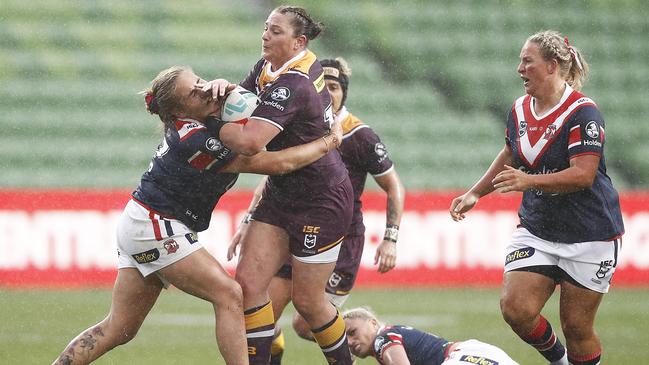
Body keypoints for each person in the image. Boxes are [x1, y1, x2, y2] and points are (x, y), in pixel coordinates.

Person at [52, 65, 343, 365]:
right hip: (156, 226)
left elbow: (248, 106)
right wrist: (329, 142)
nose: (204, 90)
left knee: (119, 329)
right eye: (194, 92)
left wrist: (225, 86)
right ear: (180, 111)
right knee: (229, 294)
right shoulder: (196, 141)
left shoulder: (204, 121)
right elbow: (276, 164)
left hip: (141, 223)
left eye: (201, 81)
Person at [450, 30, 624, 365]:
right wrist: (476, 192)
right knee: (516, 309)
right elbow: (510, 154)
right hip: (538, 228)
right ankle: (558, 361)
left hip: (590, 235)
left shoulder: (583, 113)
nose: (519, 68)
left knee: (576, 329)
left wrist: (528, 181)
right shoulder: (518, 110)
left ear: (551, 66)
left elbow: (583, 174)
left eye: (527, 61)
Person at [202, 6, 355, 365]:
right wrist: (224, 92)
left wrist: (204, 120)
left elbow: (251, 140)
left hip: (322, 198)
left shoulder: (295, 84)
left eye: (275, 32)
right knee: (249, 285)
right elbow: (242, 102)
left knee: (308, 302)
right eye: (265, 28)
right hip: (283, 190)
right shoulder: (270, 65)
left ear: (298, 41)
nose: (265, 36)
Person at [232, 57, 405, 365]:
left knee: (305, 318)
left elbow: (394, 186)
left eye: (336, 87)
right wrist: (248, 218)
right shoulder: (301, 125)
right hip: (292, 222)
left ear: (344, 93)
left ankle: (377, 332)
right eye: (326, 86)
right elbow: (276, 171)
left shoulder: (359, 135)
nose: (331, 93)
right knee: (261, 312)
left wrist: (391, 237)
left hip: (341, 235)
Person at [342, 307, 519, 365]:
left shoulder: (382, 339)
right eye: (345, 339)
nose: (349, 342)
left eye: (352, 332)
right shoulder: (391, 333)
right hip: (473, 353)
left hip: (461, 357)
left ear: (373, 323)